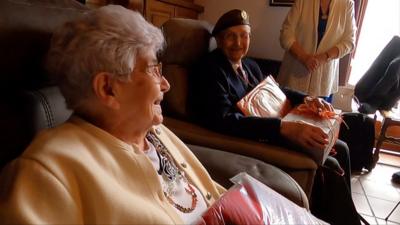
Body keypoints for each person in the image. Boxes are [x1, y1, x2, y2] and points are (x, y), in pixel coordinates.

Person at [0, 5, 225, 224]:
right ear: (108, 89)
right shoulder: (47, 172)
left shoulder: (153, 131)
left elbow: (213, 194)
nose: (166, 84)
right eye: (154, 70)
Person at [189, 9, 360, 225]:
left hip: (276, 126)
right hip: (258, 135)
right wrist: (282, 128)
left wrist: (307, 99)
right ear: (220, 40)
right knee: (331, 164)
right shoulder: (211, 69)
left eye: (244, 35)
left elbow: (277, 91)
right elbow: (223, 120)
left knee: (342, 148)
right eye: (231, 36)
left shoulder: (250, 65)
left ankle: (345, 214)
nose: (238, 42)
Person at [277, 0, 356, 102]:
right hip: (293, 79)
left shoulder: (347, 4)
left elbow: (350, 41)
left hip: (323, 83)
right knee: (286, 116)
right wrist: (304, 57)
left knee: (318, 116)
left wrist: (324, 57)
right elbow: (285, 34)